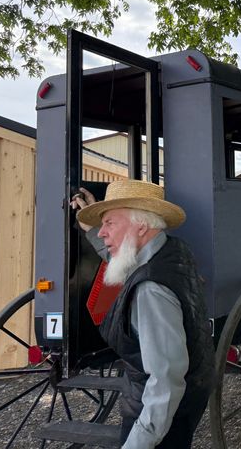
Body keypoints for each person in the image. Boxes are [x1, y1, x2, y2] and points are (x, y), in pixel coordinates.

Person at [71, 179, 214, 449]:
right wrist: (91, 231)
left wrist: (138, 442)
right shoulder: (171, 249)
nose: (102, 233)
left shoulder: (151, 290)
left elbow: (165, 381)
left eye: (110, 223)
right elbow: (122, 260)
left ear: (141, 225)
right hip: (191, 391)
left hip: (161, 413)